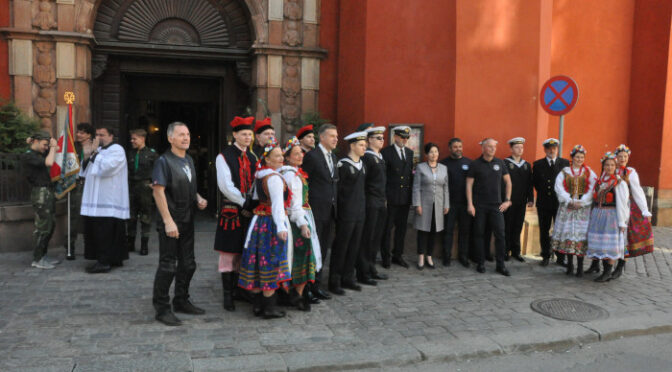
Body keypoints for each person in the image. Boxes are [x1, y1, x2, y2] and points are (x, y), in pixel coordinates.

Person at [152, 122, 208, 326]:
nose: (186, 138)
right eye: (181, 134)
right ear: (170, 138)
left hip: (187, 219)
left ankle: (181, 299)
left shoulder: (189, 160)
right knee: (168, 266)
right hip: (171, 220)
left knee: (188, 263)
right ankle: (161, 308)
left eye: (188, 134)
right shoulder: (163, 161)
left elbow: (189, 185)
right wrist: (168, 221)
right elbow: (158, 191)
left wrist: (198, 197)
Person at [239, 136, 292, 319]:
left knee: (257, 259)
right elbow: (277, 206)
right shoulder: (275, 178)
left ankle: (258, 305)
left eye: (281, 155)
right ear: (267, 159)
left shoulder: (260, 175)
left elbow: (253, 199)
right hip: (270, 223)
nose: (281, 159)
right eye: (276, 156)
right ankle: (269, 308)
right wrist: (281, 227)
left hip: (258, 222)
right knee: (271, 260)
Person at [213, 116, 258, 311]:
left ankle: (241, 290)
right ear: (235, 135)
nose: (248, 137)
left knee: (243, 250)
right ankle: (227, 295)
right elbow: (225, 185)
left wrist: (253, 202)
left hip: (250, 209)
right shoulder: (224, 156)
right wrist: (243, 202)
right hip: (232, 210)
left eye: (250, 134)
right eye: (244, 134)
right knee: (228, 252)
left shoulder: (253, 157)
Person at [80, 127, 130, 273]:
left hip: (109, 200)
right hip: (95, 200)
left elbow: (108, 168)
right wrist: (87, 156)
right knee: (99, 231)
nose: (98, 137)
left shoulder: (117, 149)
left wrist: (94, 153)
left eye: (102, 135)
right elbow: (86, 171)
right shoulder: (99, 151)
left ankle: (104, 262)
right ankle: (112, 258)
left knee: (106, 232)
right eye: (97, 134)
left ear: (111, 136)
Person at [281, 136, 321, 311]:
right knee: (302, 256)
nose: (300, 156)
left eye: (301, 153)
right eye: (296, 154)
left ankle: (294, 292)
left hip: (298, 216)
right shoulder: (292, 176)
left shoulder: (289, 173)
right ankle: (297, 294)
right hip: (297, 220)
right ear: (287, 157)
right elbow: (294, 205)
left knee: (294, 256)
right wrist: (303, 224)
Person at [302, 123, 339, 301]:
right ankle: (307, 287)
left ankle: (317, 285)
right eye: (332, 136)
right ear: (322, 137)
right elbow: (304, 184)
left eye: (336, 136)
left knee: (323, 249)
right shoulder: (312, 156)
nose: (335, 139)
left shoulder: (334, 157)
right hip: (315, 211)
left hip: (330, 211)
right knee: (313, 249)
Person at [329, 131, 368, 295]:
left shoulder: (362, 164)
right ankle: (334, 280)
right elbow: (338, 192)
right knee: (341, 247)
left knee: (354, 246)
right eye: (361, 145)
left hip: (359, 212)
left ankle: (348, 277)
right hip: (346, 214)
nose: (364, 147)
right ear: (352, 146)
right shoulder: (343, 165)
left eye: (365, 145)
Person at [466, 138, 512, 276]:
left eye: (494, 147)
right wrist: (470, 204)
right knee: (479, 234)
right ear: (483, 148)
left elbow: (508, 182)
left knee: (500, 235)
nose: (493, 149)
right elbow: (468, 185)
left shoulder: (500, 163)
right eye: (490, 146)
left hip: (496, 206)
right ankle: (480, 263)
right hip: (479, 205)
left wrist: (507, 200)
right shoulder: (475, 164)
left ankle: (500, 265)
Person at [550, 145, 597, 277]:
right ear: (572, 158)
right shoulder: (564, 172)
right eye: (577, 157)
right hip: (568, 208)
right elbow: (558, 187)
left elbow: (592, 189)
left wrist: (582, 202)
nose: (579, 159)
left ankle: (580, 267)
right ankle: (570, 265)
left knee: (580, 236)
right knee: (569, 235)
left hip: (582, 210)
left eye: (582, 157)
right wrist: (569, 200)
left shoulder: (589, 172)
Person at [609, 144, 654, 279]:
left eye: (625, 156)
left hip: (626, 207)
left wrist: (645, 210)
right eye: (620, 156)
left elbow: (638, 191)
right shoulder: (611, 168)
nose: (622, 158)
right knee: (609, 236)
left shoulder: (630, 173)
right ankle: (601, 264)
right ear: (615, 157)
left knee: (624, 238)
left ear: (628, 158)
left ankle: (620, 265)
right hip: (610, 207)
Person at [586, 152, 630, 282]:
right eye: (607, 165)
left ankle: (607, 271)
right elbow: (592, 198)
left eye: (612, 165)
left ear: (615, 166)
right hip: (598, 215)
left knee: (610, 245)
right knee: (600, 243)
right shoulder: (600, 181)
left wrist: (622, 222)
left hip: (611, 216)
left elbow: (623, 203)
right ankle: (599, 267)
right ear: (603, 166)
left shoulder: (619, 183)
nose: (609, 167)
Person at [357, 126, 389, 285]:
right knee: (367, 238)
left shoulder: (379, 156)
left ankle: (371, 267)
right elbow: (364, 183)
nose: (382, 140)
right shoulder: (367, 158)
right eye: (378, 138)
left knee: (376, 237)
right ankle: (363, 272)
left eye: (383, 138)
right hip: (370, 202)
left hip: (380, 202)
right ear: (369, 140)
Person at [23, 130, 59, 269]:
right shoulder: (28, 156)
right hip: (40, 192)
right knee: (43, 227)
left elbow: (52, 152)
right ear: (36, 142)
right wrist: (53, 147)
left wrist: (51, 145)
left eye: (47, 145)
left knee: (50, 225)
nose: (46, 148)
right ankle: (37, 259)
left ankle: (43, 255)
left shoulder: (38, 153)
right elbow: (49, 162)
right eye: (44, 145)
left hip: (47, 191)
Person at [381, 126, 414, 269]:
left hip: (405, 198)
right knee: (387, 229)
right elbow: (383, 177)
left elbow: (409, 176)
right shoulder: (386, 152)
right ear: (395, 137)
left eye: (407, 138)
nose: (404, 140)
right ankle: (386, 257)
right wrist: (384, 197)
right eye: (402, 137)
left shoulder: (409, 153)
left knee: (402, 228)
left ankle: (398, 255)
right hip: (391, 197)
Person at [533, 138, 570, 267]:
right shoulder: (538, 164)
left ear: (557, 149)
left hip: (559, 204)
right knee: (544, 230)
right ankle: (545, 255)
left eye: (554, 148)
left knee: (560, 230)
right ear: (545, 149)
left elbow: (567, 183)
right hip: (544, 203)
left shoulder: (565, 164)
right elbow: (536, 183)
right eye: (549, 148)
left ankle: (560, 256)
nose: (551, 150)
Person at [412, 143, 449, 270]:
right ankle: (421, 257)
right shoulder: (421, 168)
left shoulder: (444, 168)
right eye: (431, 152)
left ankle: (429, 256)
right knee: (423, 231)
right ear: (426, 154)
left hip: (438, 205)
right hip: (424, 204)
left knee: (434, 230)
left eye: (436, 152)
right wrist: (417, 204)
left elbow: (446, 188)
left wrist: (446, 204)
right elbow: (416, 187)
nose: (434, 154)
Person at [440, 138, 472, 267]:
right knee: (448, 230)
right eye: (455, 147)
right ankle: (446, 255)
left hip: (465, 204)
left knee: (464, 231)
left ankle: (463, 256)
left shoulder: (469, 163)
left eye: (460, 146)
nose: (458, 149)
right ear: (450, 149)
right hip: (449, 204)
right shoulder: (443, 164)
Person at [65, 122, 95, 260]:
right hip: (76, 185)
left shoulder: (96, 147)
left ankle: (90, 247)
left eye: (82, 132)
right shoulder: (73, 147)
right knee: (74, 217)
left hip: (91, 185)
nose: (78, 134)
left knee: (90, 217)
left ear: (89, 134)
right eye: (78, 132)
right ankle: (69, 247)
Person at [126, 128, 158, 255]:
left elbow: (158, 170)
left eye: (134, 139)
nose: (132, 141)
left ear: (142, 138)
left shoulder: (152, 154)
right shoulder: (130, 153)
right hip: (131, 186)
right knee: (131, 216)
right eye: (131, 138)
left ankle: (144, 245)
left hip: (145, 187)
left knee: (146, 216)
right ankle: (130, 243)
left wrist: (154, 183)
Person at [503, 137, 534, 262]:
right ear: (511, 149)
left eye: (521, 147)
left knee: (518, 226)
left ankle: (516, 251)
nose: (520, 149)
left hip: (521, 201)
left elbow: (529, 184)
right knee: (507, 226)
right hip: (509, 201)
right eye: (516, 147)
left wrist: (530, 198)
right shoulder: (505, 163)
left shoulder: (526, 165)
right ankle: (506, 251)